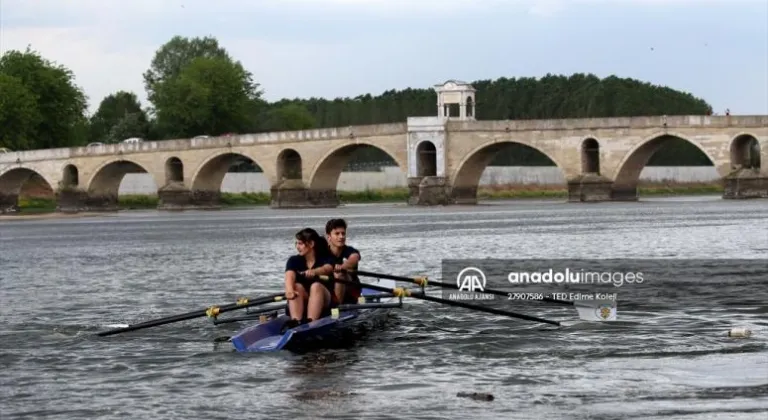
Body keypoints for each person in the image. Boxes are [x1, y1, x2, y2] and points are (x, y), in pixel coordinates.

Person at [283, 228, 335, 329]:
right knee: (296, 286)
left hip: (325, 300)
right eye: (296, 243)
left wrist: (315, 272)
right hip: (304, 297)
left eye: (301, 243)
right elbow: (290, 275)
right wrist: (289, 290)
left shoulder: (326, 258)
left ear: (311, 244)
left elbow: (327, 268)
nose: (297, 247)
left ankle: (312, 321)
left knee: (316, 286)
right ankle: (296, 321)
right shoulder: (294, 260)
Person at [325, 218, 363, 304]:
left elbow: (354, 258)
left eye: (343, 233)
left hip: (352, 294)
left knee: (339, 274)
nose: (341, 237)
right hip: (330, 293)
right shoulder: (322, 253)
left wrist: (342, 267)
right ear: (329, 237)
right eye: (337, 234)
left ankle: (337, 307)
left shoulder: (350, 251)